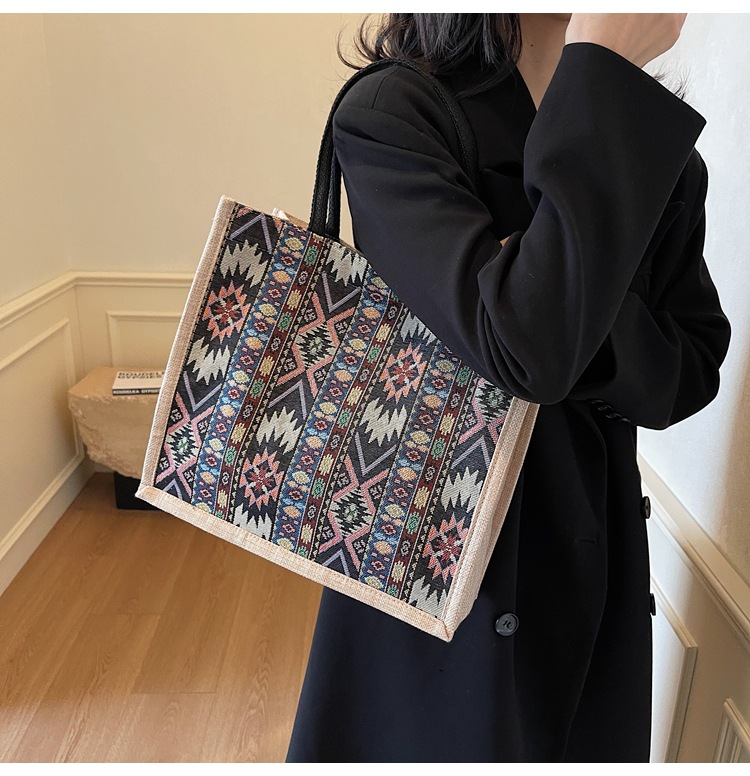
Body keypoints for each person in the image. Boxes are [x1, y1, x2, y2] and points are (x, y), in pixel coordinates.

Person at [284, 13, 731, 763]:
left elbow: (688, 371)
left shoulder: (651, 144)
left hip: (592, 574)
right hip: (429, 563)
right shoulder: (399, 112)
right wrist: (549, 311)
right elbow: (528, 348)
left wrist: (540, 294)